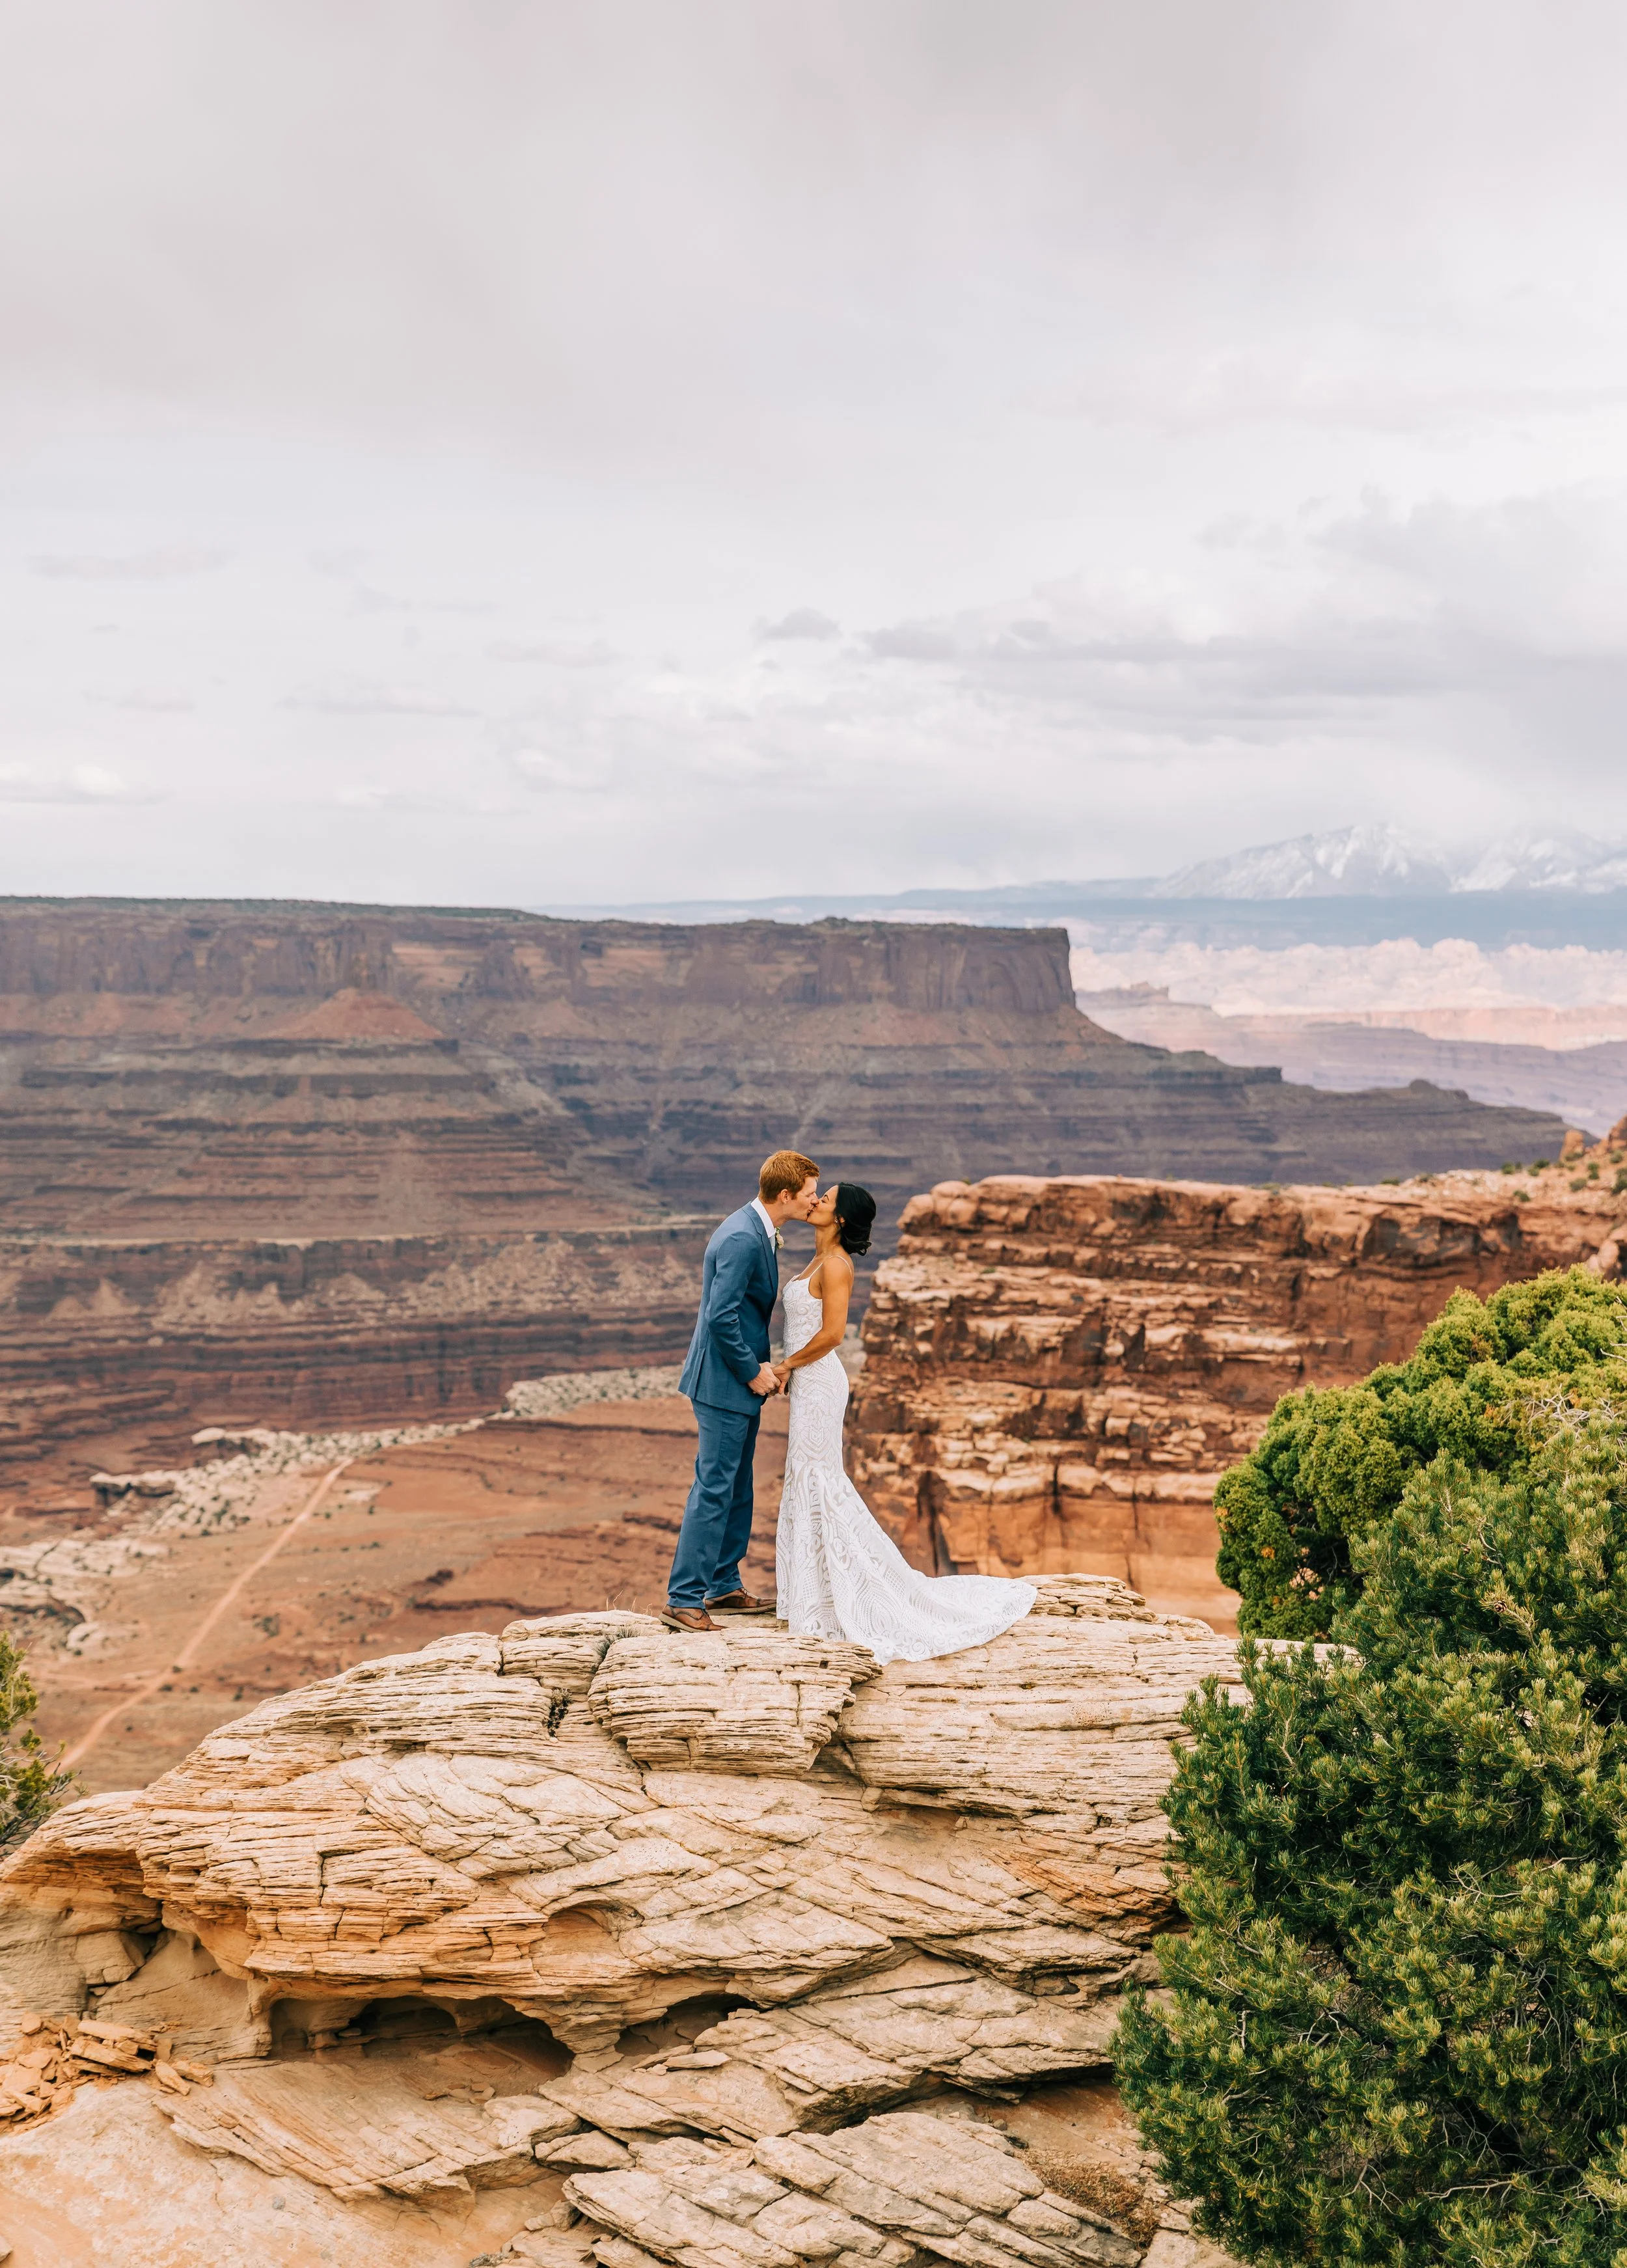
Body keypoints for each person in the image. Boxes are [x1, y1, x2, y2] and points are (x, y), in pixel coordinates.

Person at [773, 1180, 1036, 1663]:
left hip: (820, 1382)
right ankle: (811, 1594)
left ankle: (843, 1595)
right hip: (808, 1383)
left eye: (825, 1199)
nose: (817, 1202)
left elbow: (832, 1334)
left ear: (842, 1218)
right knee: (806, 1477)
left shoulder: (835, 1265)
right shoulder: (816, 1257)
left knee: (821, 1480)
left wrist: (787, 1365)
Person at [664, 1148, 821, 1632]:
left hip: (737, 1382)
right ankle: (685, 1597)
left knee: (736, 1487)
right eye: (811, 1194)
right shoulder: (742, 1238)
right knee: (714, 1488)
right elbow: (721, 1315)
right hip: (723, 1382)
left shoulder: (758, 1231)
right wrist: (754, 1370)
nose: (816, 1203)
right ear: (786, 1194)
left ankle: (723, 1583)